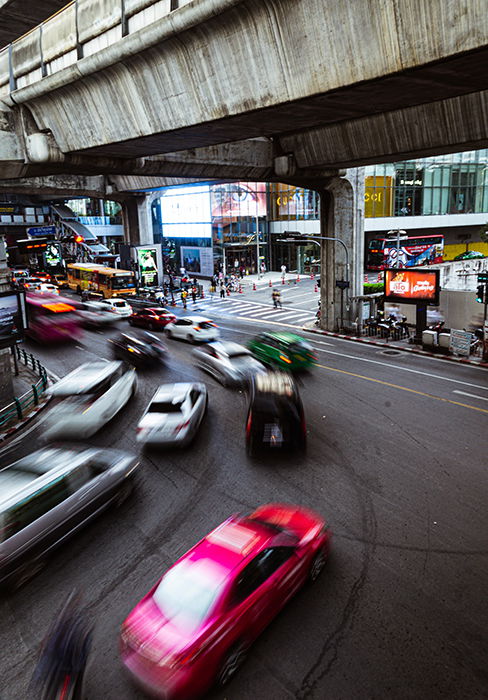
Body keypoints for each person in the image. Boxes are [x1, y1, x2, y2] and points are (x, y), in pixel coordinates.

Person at [30, 590, 92, 700]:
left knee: (54, 689)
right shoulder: (75, 624)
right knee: (71, 686)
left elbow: (47, 645)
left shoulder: (60, 622)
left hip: (56, 667)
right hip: (66, 668)